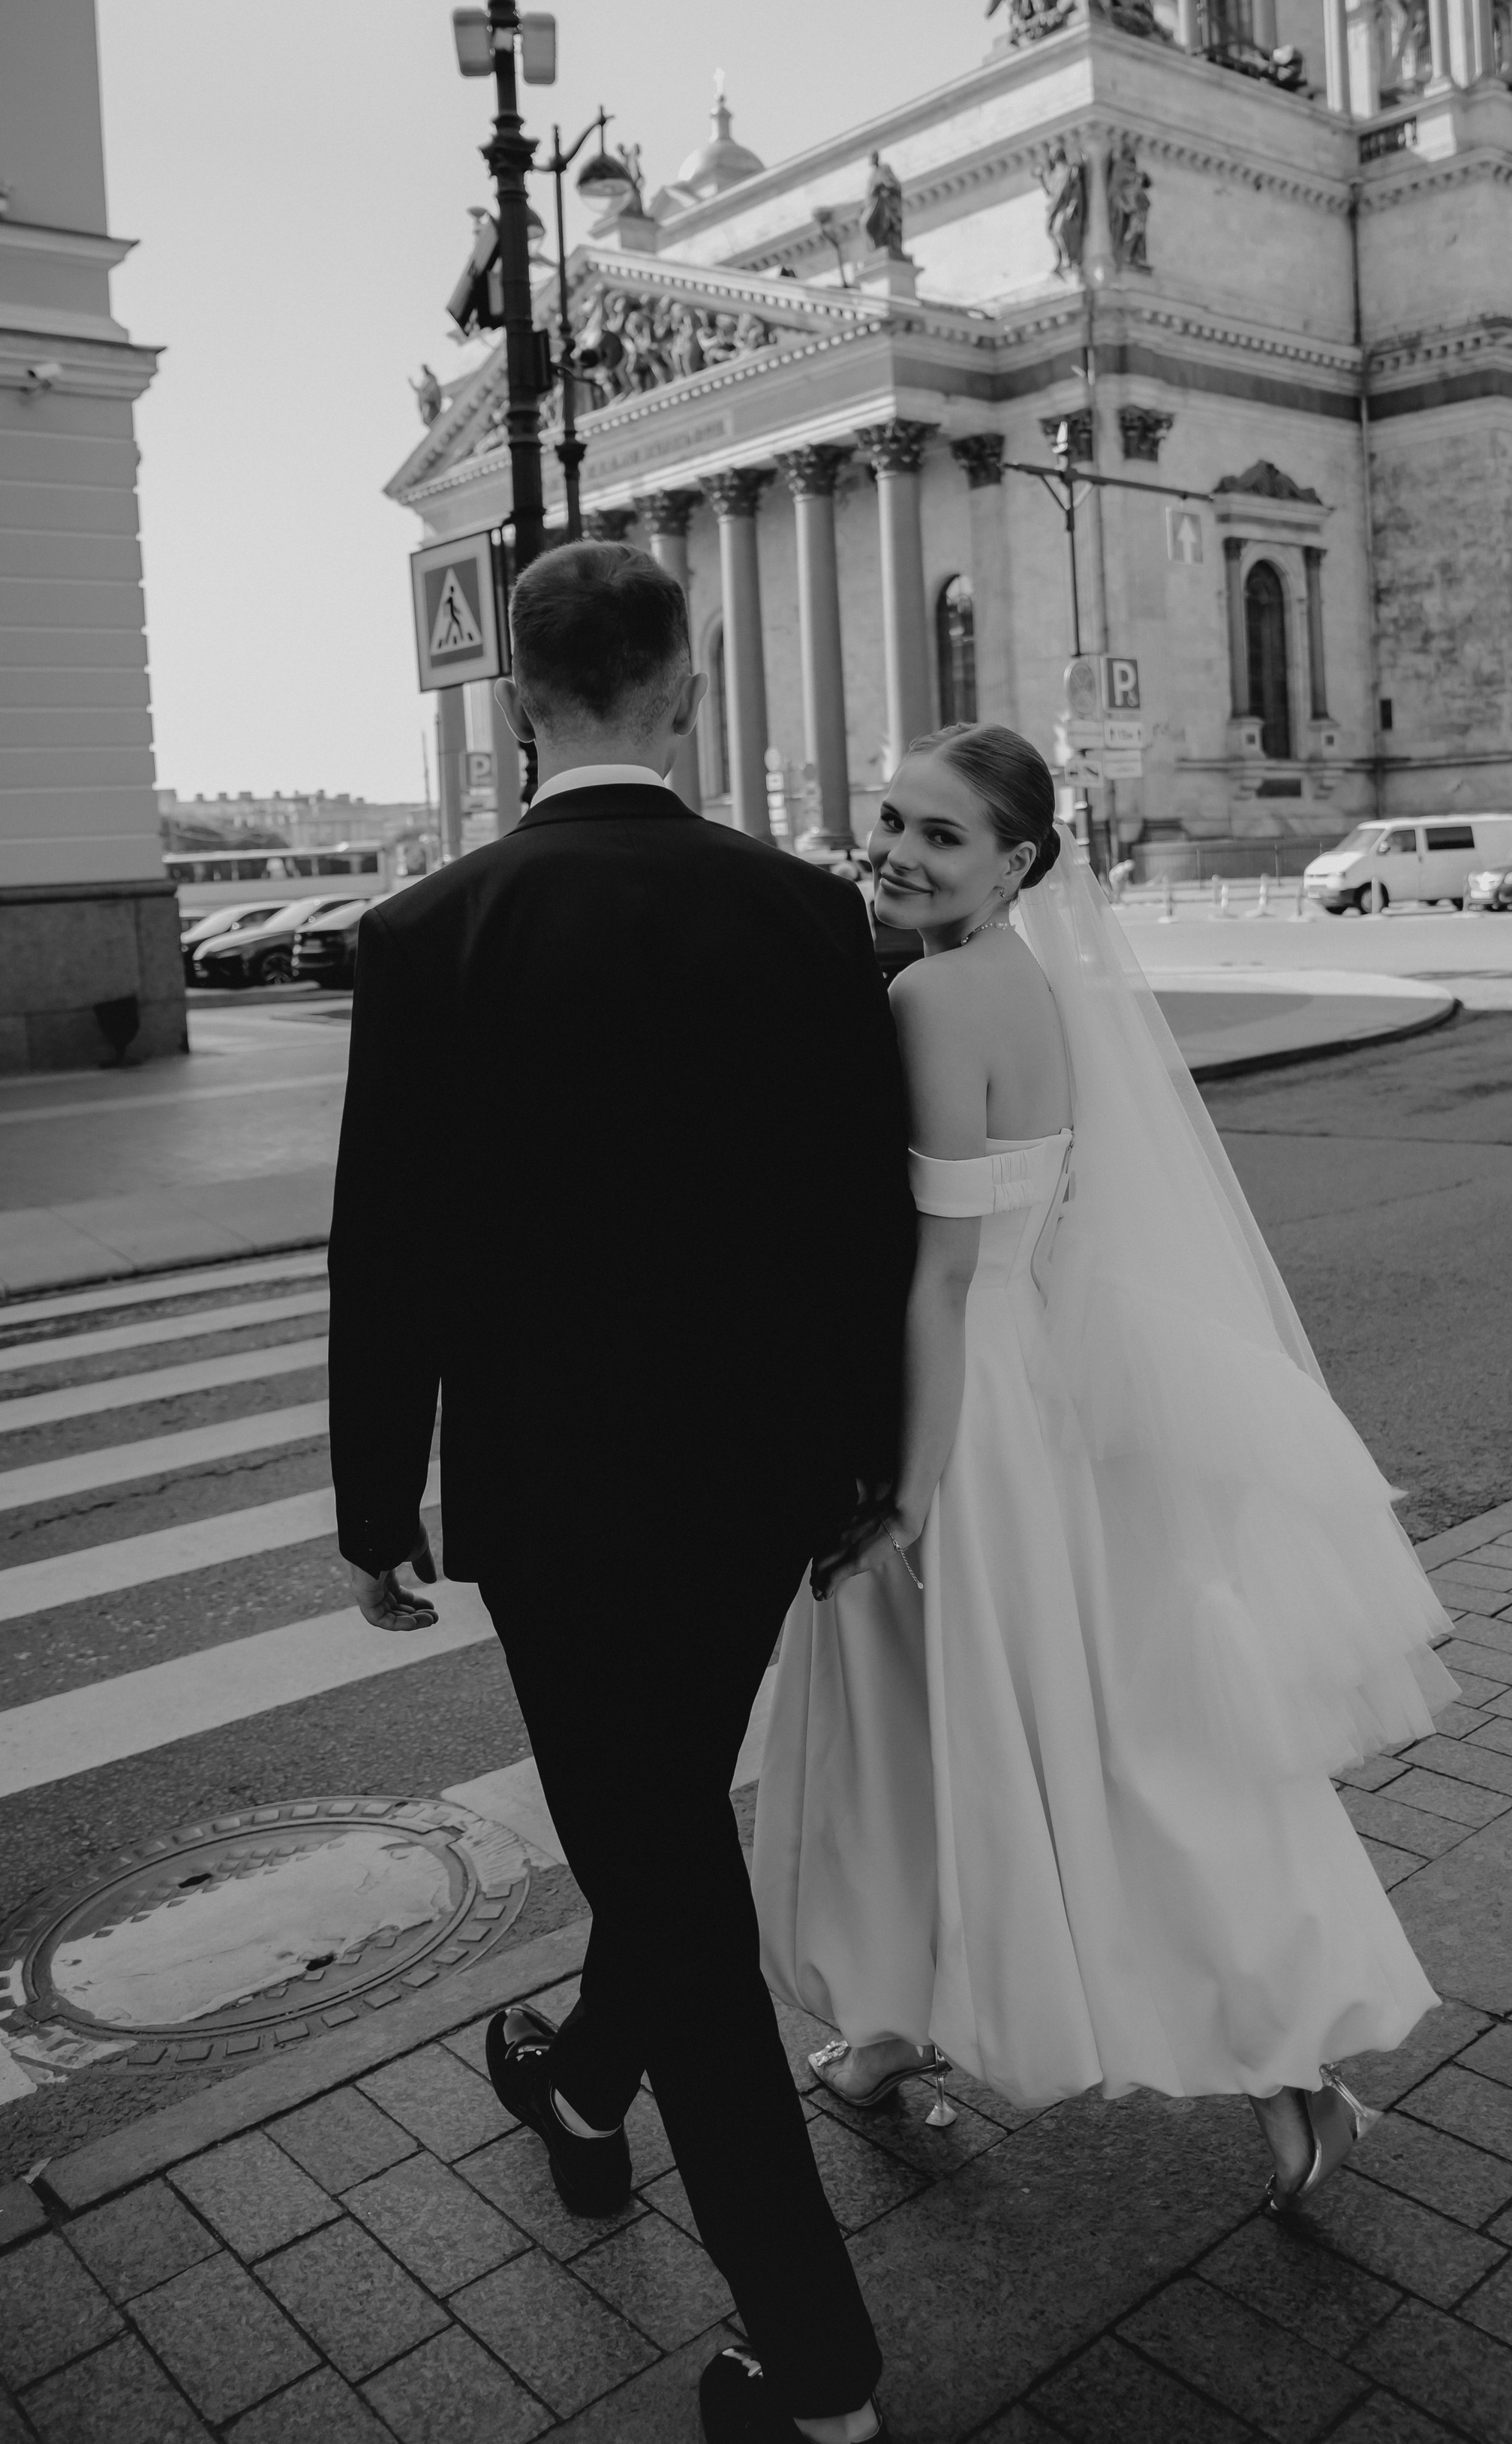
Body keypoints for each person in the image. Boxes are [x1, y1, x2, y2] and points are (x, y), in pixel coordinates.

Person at [329, 540, 909, 2444]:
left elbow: (383, 1249)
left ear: (516, 699)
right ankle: (581, 2090)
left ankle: (816, 2360)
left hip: (553, 1501)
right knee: (663, 1829)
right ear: (688, 684)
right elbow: (861, 1223)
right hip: (758, 1486)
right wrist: (864, 1459)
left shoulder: (435, 932)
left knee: (664, 1874)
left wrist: (371, 1502)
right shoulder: (805, 915)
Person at [753, 724, 1452, 2208]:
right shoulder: (1043, 985)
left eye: (941, 836)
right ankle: (1259, 2071)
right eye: (889, 820)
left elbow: (940, 1278)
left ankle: (909, 2026)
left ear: (1016, 863)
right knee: (1112, 1748)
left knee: (940, 1743)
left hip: (962, 1411)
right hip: (1038, 1384)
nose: (896, 850)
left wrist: (913, 1496)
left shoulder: (935, 995)